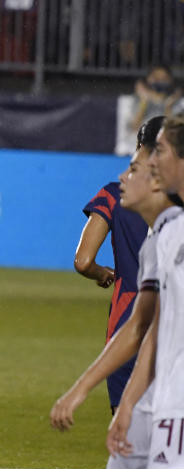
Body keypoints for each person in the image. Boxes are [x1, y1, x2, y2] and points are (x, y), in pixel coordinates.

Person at [51, 116, 178, 469]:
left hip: (159, 370)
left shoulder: (165, 229)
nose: (125, 173)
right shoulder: (164, 234)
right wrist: (83, 390)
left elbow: (83, 261)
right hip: (148, 361)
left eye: (139, 164)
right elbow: (148, 324)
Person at [109, 114, 184, 469]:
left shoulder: (171, 234)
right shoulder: (162, 235)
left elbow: (143, 328)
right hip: (161, 391)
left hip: (171, 396)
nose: (148, 164)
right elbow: (150, 330)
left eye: (159, 154)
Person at [74, 142, 149, 413]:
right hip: (173, 316)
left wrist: (102, 273)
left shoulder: (115, 195)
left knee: (124, 431)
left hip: (126, 317)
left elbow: (83, 262)